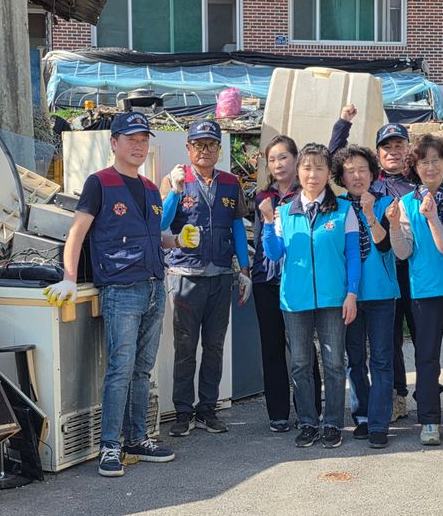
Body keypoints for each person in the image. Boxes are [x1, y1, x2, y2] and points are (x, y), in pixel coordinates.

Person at [44, 112, 176, 477]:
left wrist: (176, 239)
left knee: (142, 369)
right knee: (120, 368)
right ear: (113, 143)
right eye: (130, 138)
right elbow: (77, 233)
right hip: (121, 290)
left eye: (143, 139)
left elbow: (151, 236)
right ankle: (109, 446)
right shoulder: (99, 183)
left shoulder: (151, 189)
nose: (138, 145)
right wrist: (69, 278)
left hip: (153, 287)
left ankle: (137, 439)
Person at [260, 143, 360, 449]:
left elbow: (354, 256)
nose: (312, 174)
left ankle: (331, 422)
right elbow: (275, 253)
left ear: (329, 172)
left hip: (333, 300)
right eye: (306, 167)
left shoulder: (344, 210)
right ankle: (307, 421)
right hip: (295, 299)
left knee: (333, 363)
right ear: (298, 172)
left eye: (319, 168)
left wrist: (352, 293)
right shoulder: (285, 211)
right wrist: (267, 223)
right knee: (301, 364)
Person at [159, 120, 252, 437]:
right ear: (188, 149)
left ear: (219, 149)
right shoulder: (176, 180)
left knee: (214, 347)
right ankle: (183, 413)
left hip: (220, 275)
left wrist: (245, 269)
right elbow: (162, 223)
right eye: (198, 145)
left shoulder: (230, 182)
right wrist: (173, 190)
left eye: (211, 144)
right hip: (185, 275)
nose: (205, 150)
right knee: (185, 348)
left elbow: (238, 226)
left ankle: (207, 411)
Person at [388, 134, 443, 446]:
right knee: (426, 357)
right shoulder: (407, 203)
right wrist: (395, 226)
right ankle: (428, 420)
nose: (430, 166)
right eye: (423, 161)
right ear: (414, 166)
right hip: (425, 289)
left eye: (435, 160)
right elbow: (401, 252)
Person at [329, 106, 416, 422]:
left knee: (413, 338)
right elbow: (337, 159)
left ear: (407, 149)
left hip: (411, 270)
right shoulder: (370, 189)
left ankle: (413, 396)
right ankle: (391, 398)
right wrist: (344, 123)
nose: (393, 151)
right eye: (387, 147)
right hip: (378, 272)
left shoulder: (415, 181)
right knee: (386, 340)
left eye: (399, 145)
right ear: (378, 155)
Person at [251, 135, 322, 433]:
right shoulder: (261, 197)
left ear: (296, 160)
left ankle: (311, 409)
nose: (278, 164)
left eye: (284, 157)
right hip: (266, 281)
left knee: (303, 348)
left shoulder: (304, 196)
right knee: (272, 347)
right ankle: (277, 412)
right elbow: (257, 236)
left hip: (297, 280)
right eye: (272, 159)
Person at [332, 144, 399, 449]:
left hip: (382, 293)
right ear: (341, 176)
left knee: (382, 360)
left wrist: (371, 213)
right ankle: (360, 415)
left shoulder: (388, 203)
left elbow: (385, 247)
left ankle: (379, 422)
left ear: (373, 174)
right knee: (354, 358)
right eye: (350, 170)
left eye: (363, 169)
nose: (357, 175)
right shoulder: (334, 206)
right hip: (348, 295)